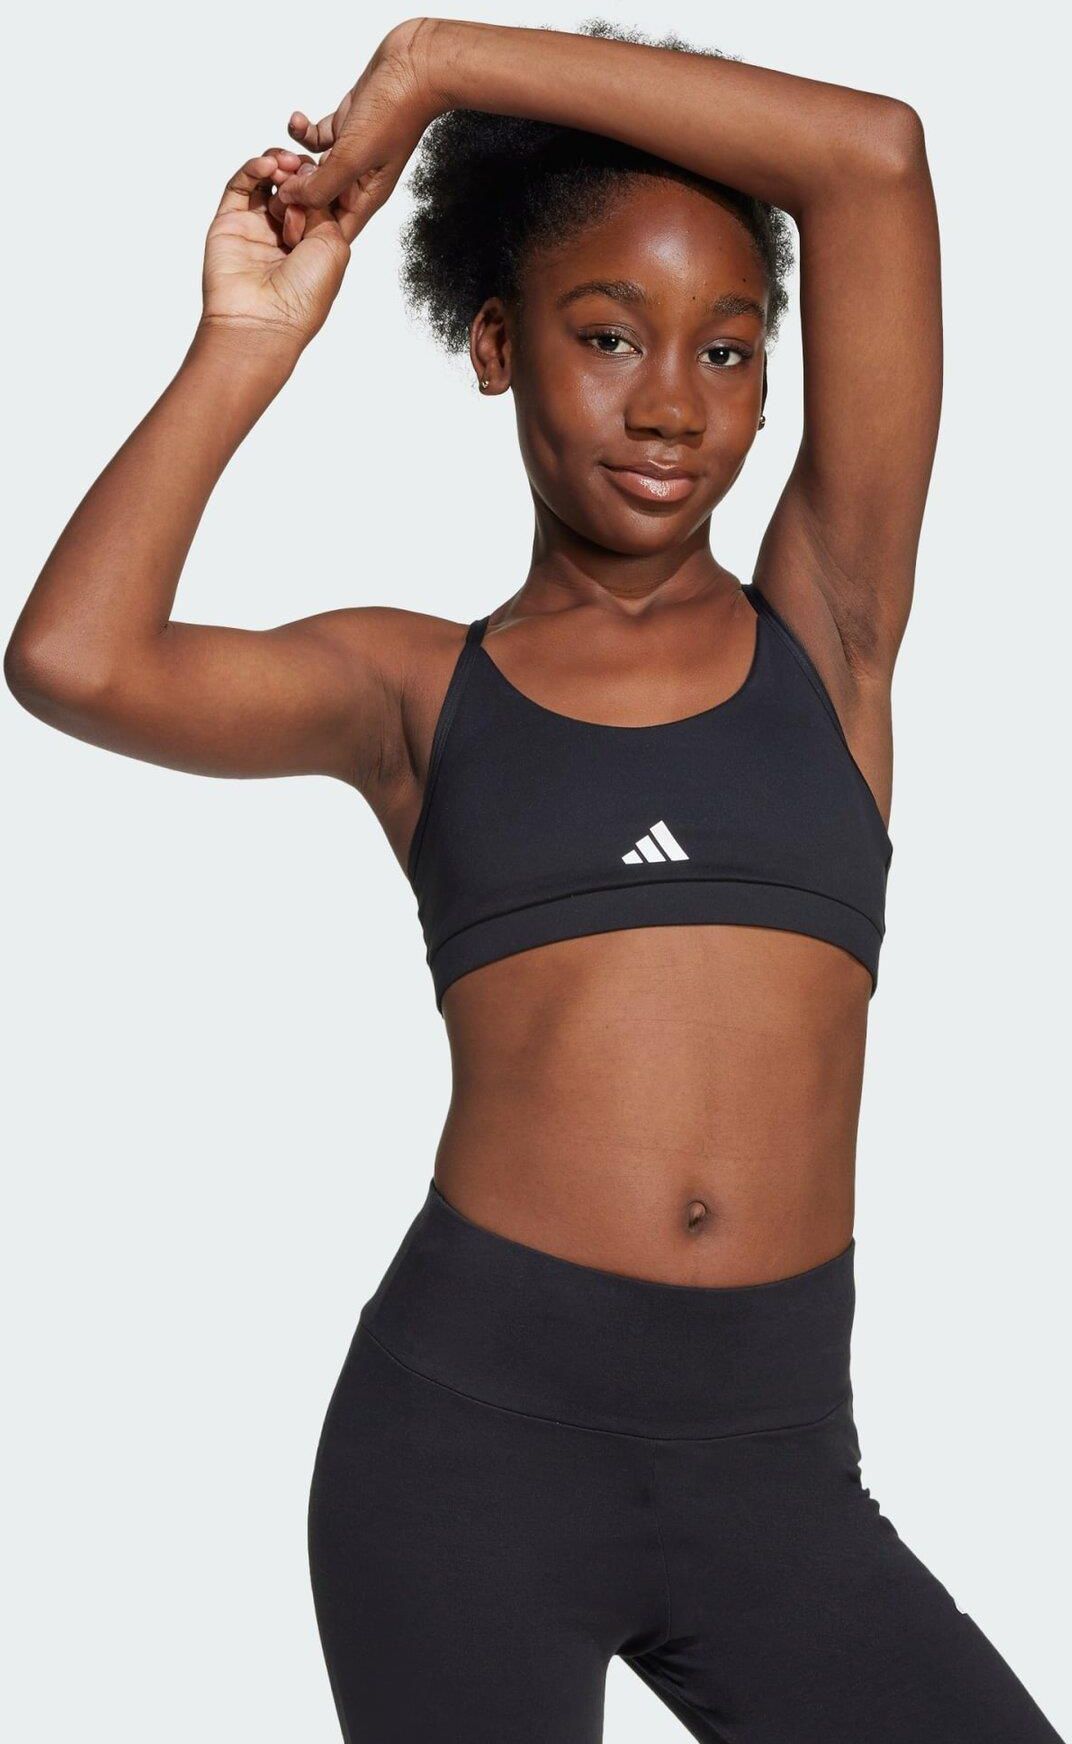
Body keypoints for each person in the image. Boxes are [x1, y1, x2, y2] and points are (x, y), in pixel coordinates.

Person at [6, 15, 1065, 1742]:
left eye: (730, 351)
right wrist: (245, 346)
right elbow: (74, 661)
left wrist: (438, 67)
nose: (672, 403)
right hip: (466, 1463)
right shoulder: (417, 693)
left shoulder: (833, 637)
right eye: (607, 334)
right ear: (497, 345)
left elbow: (873, 156)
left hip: (776, 1480)